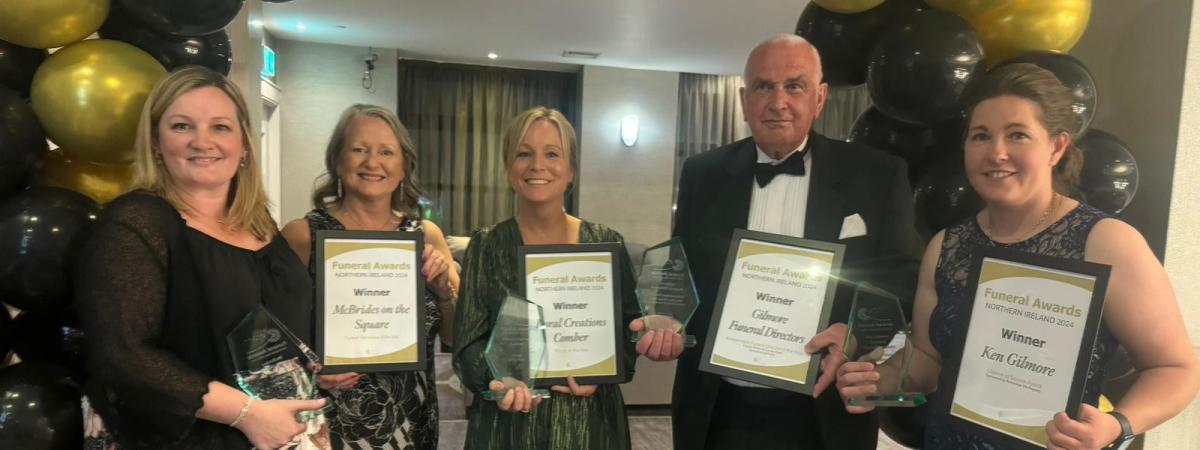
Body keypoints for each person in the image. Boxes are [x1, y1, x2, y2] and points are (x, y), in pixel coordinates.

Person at [834, 63, 1200, 450]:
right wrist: (878, 378)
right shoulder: (947, 246)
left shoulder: (1106, 243)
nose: (997, 153)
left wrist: (1117, 426)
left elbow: (1176, 368)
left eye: (1018, 135)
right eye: (980, 136)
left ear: (1057, 147)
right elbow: (927, 359)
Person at [652, 34, 921, 450]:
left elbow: (901, 281)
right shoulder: (702, 173)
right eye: (763, 86)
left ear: (820, 97)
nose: (778, 102)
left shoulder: (878, 174)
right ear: (744, 100)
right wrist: (666, 316)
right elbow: (679, 266)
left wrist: (852, 333)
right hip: (718, 406)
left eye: (794, 85)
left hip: (824, 409)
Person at [76, 66, 327, 449]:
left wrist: (316, 367)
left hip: (286, 431)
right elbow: (124, 355)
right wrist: (247, 413)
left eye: (220, 127)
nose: (202, 141)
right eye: (181, 126)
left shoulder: (259, 223)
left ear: (244, 144)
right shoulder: (135, 223)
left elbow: (275, 327)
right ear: (156, 142)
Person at [452, 106, 640, 449]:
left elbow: (629, 329)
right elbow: (467, 342)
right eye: (524, 154)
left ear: (571, 170)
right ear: (510, 167)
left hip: (589, 423)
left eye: (552, 153)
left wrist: (603, 371)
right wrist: (497, 379)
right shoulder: (486, 246)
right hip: (508, 427)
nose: (537, 165)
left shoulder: (604, 243)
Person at [281, 103, 459, 449]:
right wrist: (311, 368)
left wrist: (443, 292)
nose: (372, 163)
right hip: (329, 420)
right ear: (337, 160)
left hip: (414, 419)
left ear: (404, 165)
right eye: (359, 149)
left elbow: (456, 338)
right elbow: (270, 337)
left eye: (387, 152)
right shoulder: (303, 236)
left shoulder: (426, 236)